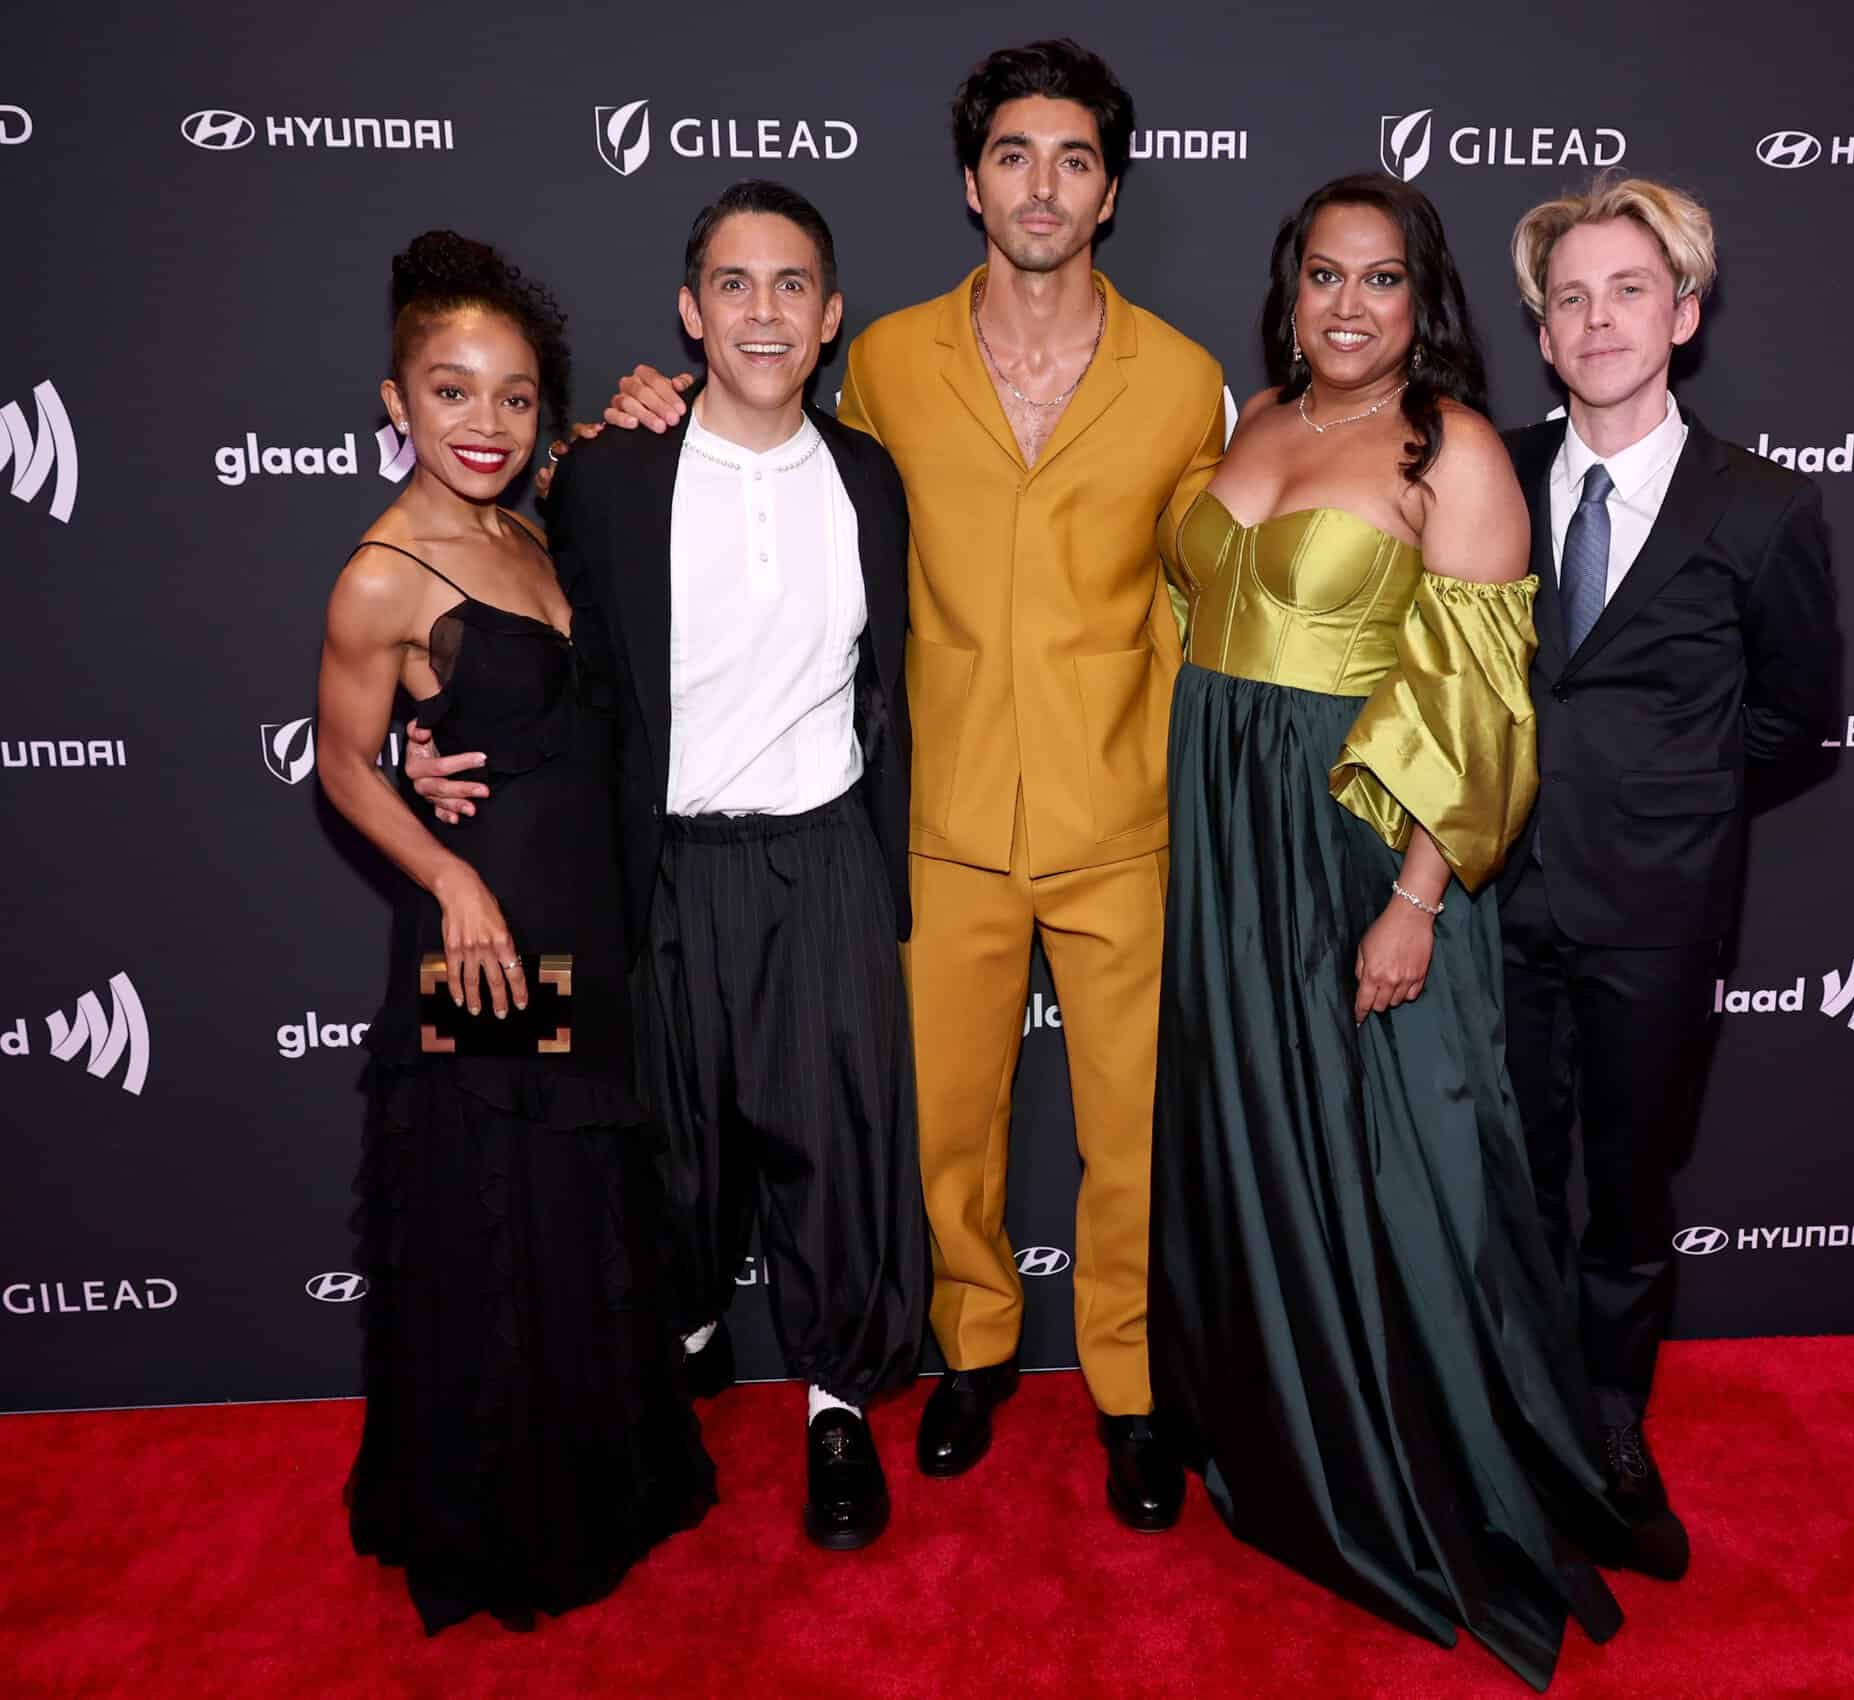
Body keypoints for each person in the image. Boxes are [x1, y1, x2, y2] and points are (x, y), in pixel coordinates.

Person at [598, 41, 1223, 1531]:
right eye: (1013, 154)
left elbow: (1211, 608)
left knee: (1131, 1132)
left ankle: (1131, 1391)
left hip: (1118, 819)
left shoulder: (1185, 380)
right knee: (942, 1127)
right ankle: (971, 1353)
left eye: (1073, 158)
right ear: (969, 181)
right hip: (931, 819)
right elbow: (773, 470)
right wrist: (647, 416)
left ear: (1111, 192)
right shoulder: (878, 360)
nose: (1041, 184)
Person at [1148, 173, 1629, 1692]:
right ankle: (1287, 1439)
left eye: (1380, 281)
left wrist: (1415, 901)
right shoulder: (1256, 421)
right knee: (1263, 1138)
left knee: (1395, 1168)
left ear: (1426, 304)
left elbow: (1486, 708)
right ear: (1287, 290)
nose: (1347, 306)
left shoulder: (1457, 449)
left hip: (1359, 835)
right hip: (1229, 828)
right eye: (1321, 277)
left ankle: (1426, 1482)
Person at [409, 183, 929, 1551]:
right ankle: (683, 1331)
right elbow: (513, 637)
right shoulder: (607, 473)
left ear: (828, 318)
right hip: (660, 869)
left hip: (821, 855)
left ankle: (834, 1406)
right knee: (671, 1155)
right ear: (692, 312)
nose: (765, 311)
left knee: (837, 1153)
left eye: (792, 286)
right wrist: (426, 737)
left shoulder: (870, 478)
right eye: (735, 285)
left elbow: (888, 683)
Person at [315, 231, 714, 1633]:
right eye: (451, 392)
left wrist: (630, 416)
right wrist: (450, 880)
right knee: (502, 1216)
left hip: (587, 916)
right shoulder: (384, 571)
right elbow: (343, 762)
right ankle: (506, 1514)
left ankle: (600, 1470)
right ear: (395, 403)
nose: (483, 423)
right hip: (492, 939)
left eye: (513, 397)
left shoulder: (529, 523)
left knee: (583, 1206)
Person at [1494, 176, 1839, 1577]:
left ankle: (1608, 1429)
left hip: (1657, 918)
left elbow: (1792, 718)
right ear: (1540, 331)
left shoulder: (1759, 508)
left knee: (1628, 1193)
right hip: (1488, 910)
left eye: (1626, 289)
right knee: (1504, 1183)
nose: (1597, 319)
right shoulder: (1488, 475)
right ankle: (1503, 1426)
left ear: (1682, 312)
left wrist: (1666, 815)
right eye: (1568, 296)